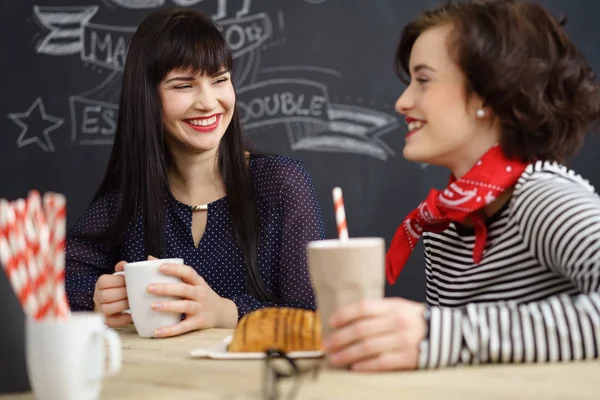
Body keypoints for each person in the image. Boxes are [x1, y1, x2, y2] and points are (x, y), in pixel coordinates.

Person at [323, 0, 600, 371]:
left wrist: (437, 335)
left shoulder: (541, 196)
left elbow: (449, 340)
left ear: (488, 94)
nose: (402, 102)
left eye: (423, 80)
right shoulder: (443, 224)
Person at [65, 8, 325, 338]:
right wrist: (96, 296)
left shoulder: (282, 184)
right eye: (184, 85)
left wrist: (224, 311)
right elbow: (53, 281)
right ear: (147, 98)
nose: (208, 102)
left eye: (219, 80)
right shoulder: (125, 202)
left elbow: (312, 315)